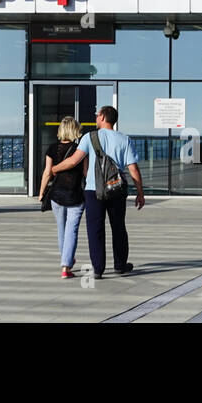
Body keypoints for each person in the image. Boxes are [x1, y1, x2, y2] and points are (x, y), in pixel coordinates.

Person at [47, 104, 144, 278]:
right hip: (116, 189)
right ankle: (120, 265)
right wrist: (140, 193)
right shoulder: (124, 139)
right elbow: (133, 169)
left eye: (97, 115)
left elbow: (73, 161)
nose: (95, 118)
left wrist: (55, 169)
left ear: (103, 117)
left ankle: (98, 269)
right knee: (118, 227)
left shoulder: (89, 137)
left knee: (95, 229)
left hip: (93, 190)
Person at [39, 116, 86, 279]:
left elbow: (47, 172)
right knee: (71, 231)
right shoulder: (80, 149)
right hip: (75, 195)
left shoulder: (52, 148)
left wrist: (41, 192)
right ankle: (66, 266)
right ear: (75, 130)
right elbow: (86, 173)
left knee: (61, 230)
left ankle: (66, 261)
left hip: (57, 195)